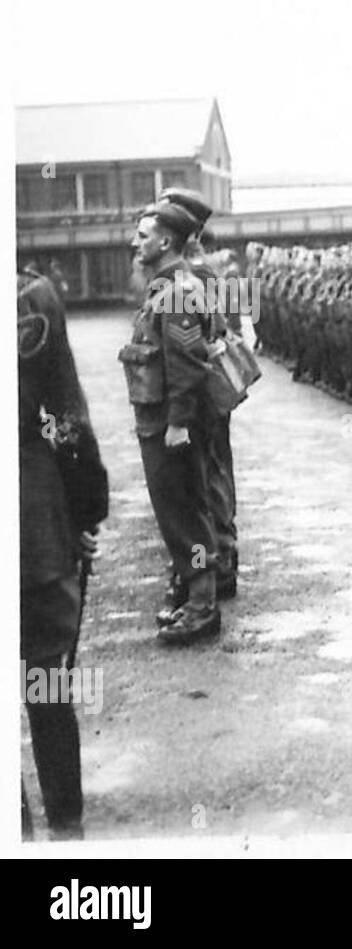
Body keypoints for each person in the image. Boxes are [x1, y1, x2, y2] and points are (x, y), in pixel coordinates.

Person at [19, 268, 107, 840]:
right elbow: (64, 413)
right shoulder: (28, 298)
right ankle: (66, 826)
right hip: (32, 524)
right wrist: (84, 510)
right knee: (47, 678)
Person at [121, 202, 223, 644]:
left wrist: (178, 423)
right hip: (162, 419)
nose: (134, 242)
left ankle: (202, 605)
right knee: (183, 510)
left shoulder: (177, 290)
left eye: (143, 236)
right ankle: (196, 597)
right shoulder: (167, 284)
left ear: (165, 241)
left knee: (184, 514)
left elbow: (186, 362)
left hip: (170, 422)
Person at [156, 187, 241, 598]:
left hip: (202, 390)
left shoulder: (196, 275)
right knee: (211, 473)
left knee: (208, 479)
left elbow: (217, 330)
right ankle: (218, 560)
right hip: (206, 386)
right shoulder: (200, 271)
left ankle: (219, 562)